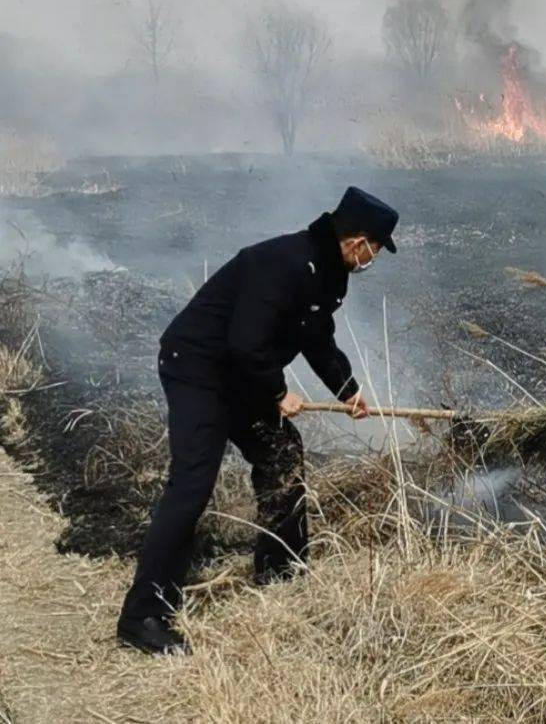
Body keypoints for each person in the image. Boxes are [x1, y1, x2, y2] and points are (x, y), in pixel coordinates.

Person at [117, 186, 398, 655]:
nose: (373, 258)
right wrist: (277, 392)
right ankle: (143, 614)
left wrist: (348, 390)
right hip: (199, 369)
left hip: (238, 373)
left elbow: (318, 339)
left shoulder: (328, 274)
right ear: (356, 240)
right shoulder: (283, 262)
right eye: (374, 248)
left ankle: (281, 568)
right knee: (191, 485)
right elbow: (245, 343)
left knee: (281, 450)